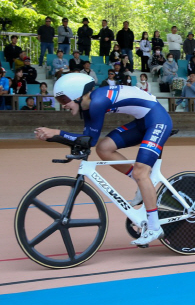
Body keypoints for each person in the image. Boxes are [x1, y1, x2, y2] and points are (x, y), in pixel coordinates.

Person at [34, 73, 173, 245]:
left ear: (77, 95)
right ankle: (142, 184)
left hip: (158, 121)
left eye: (63, 99)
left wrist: (57, 133)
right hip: (143, 121)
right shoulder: (87, 104)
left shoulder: (97, 103)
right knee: (104, 148)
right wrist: (53, 137)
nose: (62, 105)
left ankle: (154, 227)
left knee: (140, 171)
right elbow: (88, 141)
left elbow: (88, 141)